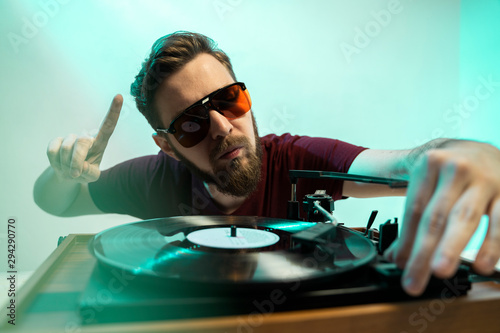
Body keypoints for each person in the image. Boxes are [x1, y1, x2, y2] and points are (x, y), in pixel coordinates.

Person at [34, 31, 500, 297]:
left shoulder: (298, 156)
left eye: (229, 100)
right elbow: (57, 201)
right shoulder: (154, 176)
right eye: (191, 124)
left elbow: (403, 165)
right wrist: (61, 173)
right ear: (168, 146)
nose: (221, 126)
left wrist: (465, 154)